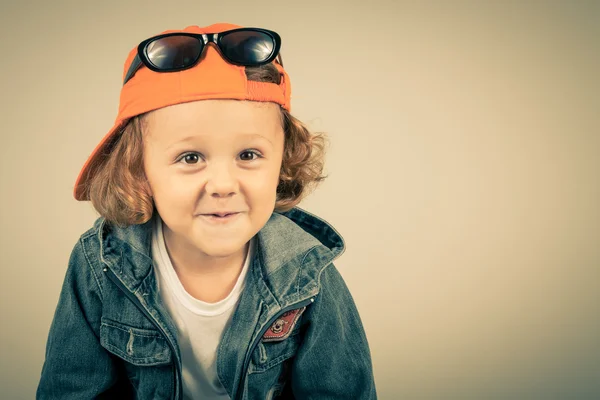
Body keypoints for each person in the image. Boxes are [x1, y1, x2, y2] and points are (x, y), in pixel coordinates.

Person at [36, 22, 377, 400]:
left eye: (248, 155)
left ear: (282, 162)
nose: (222, 184)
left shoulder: (306, 272)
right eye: (191, 157)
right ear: (139, 170)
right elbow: (70, 390)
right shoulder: (100, 265)